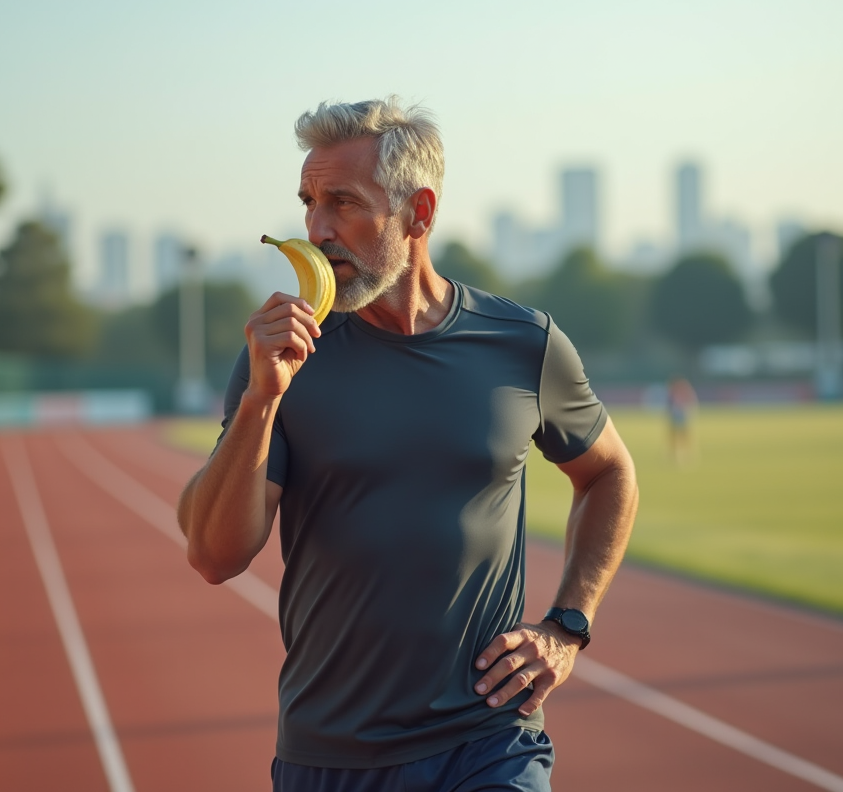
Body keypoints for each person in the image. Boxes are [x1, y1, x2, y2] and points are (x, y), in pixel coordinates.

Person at [177, 97, 639, 792]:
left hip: (489, 740)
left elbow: (610, 474)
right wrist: (261, 400)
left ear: (418, 214)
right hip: (329, 754)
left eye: (343, 203)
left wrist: (568, 625)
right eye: (309, 203)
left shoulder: (523, 343)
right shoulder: (283, 355)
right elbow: (215, 556)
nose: (316, 229)